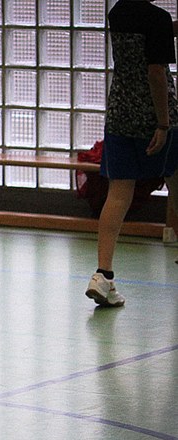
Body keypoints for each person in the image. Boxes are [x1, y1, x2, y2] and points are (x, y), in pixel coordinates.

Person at [87, 0, 178, 307]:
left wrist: (169, 30)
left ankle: (103, 276)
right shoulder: (158, 18)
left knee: (118, 195)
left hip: (120, 114)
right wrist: (163, 123)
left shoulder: (118, 13)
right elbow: (156, 72)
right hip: (155, 117)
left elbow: (143, 40)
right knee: (176, 181)